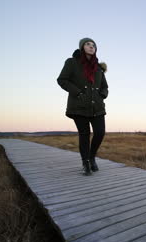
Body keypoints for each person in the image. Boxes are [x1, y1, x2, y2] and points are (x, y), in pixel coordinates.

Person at [57, 37, 109, 176]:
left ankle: (92, 157)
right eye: (88, 44)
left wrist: (102, 95)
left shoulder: (98, 67)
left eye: (93, 45)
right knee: (84, 135)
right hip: (78, 106)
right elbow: (62, 80)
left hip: (97, 107)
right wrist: (78, 92)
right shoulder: (72, 62)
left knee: (100, 132)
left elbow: (104, 86)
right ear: (82, 47)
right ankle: (85, 162)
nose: (91, 46)